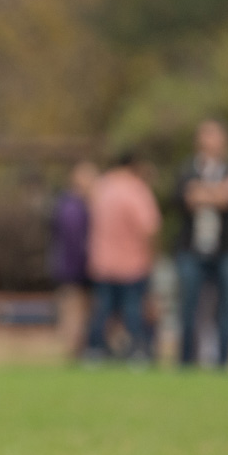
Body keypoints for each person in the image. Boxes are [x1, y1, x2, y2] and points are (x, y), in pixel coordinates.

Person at [173, 119, 228, 368]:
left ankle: (224, 362)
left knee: (227, 308)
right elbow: (185, 199)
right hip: (192, 249)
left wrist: (202, 193)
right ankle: (186, 362)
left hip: (226, 249)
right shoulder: (186, 170)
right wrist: (219, 192)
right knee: (188, 307)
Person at [85, 152, 161, 363]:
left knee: (103, 309)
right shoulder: (136, 189)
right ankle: (137, 351)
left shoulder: (101, 188)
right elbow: (149, 228)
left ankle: (95, 350)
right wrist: (153, 256)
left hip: (102, 261)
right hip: (132, 262)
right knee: (133, 309)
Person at [50, 161, 96, 359]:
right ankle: (73, 351)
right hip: (72, 268)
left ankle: (82, 350)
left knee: (86, 311)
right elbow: (73, 241)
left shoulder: (85, 203)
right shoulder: (70, 207)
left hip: (82, 268)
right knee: (73, 311)